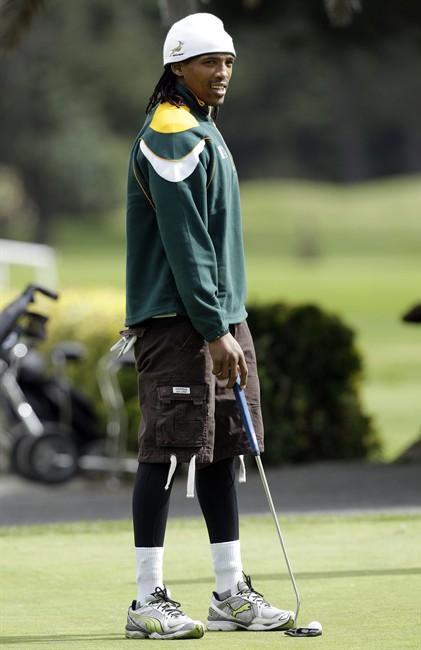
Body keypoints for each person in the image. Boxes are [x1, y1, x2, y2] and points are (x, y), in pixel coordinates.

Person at [121, 12, 295, 640]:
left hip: (221, 319)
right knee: (167, 452)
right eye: (208, 63)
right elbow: (185, 241)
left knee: (221, 450)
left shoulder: (202, 128)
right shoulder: (170, 131)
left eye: (227, 62)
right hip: (179, 323)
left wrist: (229, 324)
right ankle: (148, 600)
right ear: (177, 68)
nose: (221, 73)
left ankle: (230, 592)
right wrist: (215, 328)